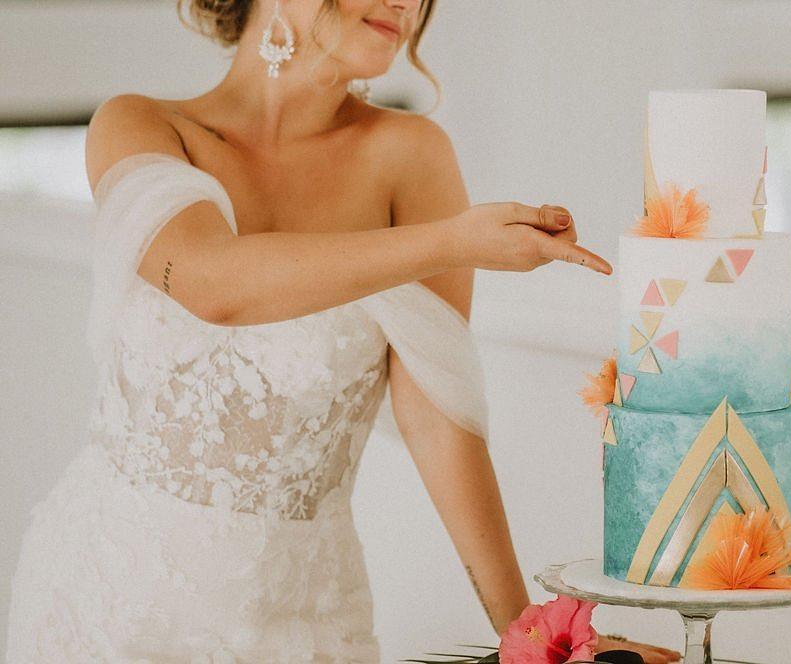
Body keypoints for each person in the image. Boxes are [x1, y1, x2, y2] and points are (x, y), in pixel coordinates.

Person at [5, 0, 681, 661]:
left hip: (302, 618)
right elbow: (211, 284)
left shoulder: (410, 156)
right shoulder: (140, 126)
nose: (407, 3)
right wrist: (453, 241)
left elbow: (436, 417)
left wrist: (536, 637)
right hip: (107, 604)